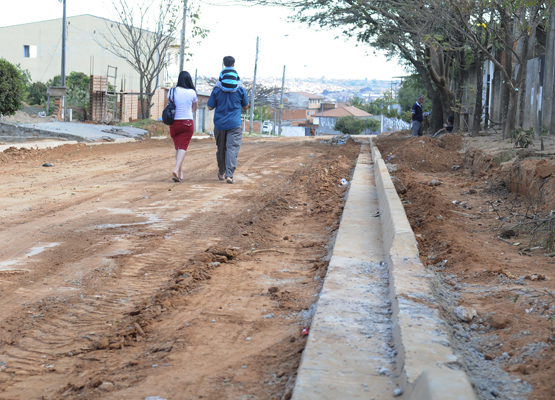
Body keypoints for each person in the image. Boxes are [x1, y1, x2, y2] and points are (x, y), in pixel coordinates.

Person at [207, 56, 250, 184]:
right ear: (234, 65)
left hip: (220, 124)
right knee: (232, 149)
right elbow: (246, 106)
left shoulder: (217, 89)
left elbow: (209, 107)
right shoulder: (240, 89)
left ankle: (221, 172)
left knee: (221, 149)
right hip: (235, 124)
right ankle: (229, 175)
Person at [169, 71, 198, 182]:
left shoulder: (172, 91)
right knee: (183, 147)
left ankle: (180, 174)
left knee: (178, 147)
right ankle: (176, 169)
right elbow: (194, 108)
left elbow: (171, 106)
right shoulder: (192, 92)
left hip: (174, 124)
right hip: (187, 122)